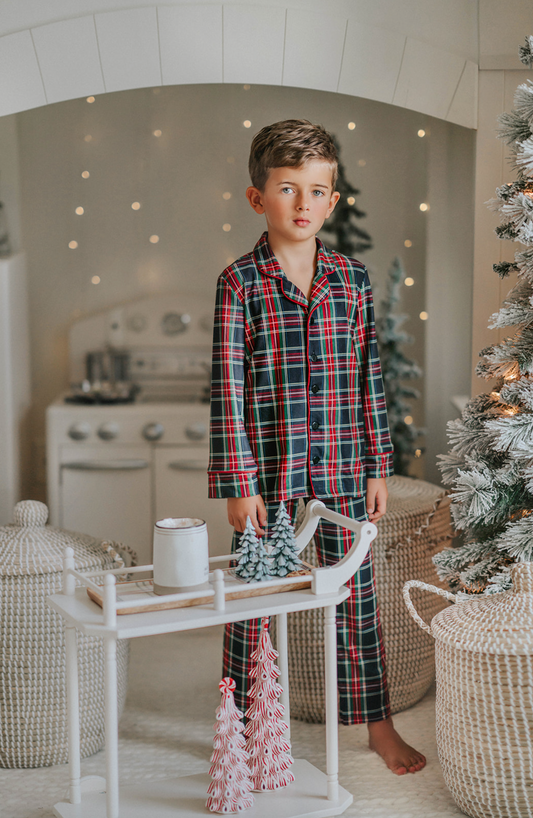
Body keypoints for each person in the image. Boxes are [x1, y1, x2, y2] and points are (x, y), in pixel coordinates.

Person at [208, 119, 426, 775]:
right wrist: (239, 482)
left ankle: (377, 726)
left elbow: (368, 377)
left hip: (341, 468)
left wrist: (378, 465)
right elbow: (228, 390)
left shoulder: (352, 281)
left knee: (354, 598)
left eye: (316, 190)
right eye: (286, 188)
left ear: (332, 199)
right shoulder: (239, 284)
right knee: (253, 601)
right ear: (258, 198)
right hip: (269, 476)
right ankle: (243, 726)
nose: (302, 204)